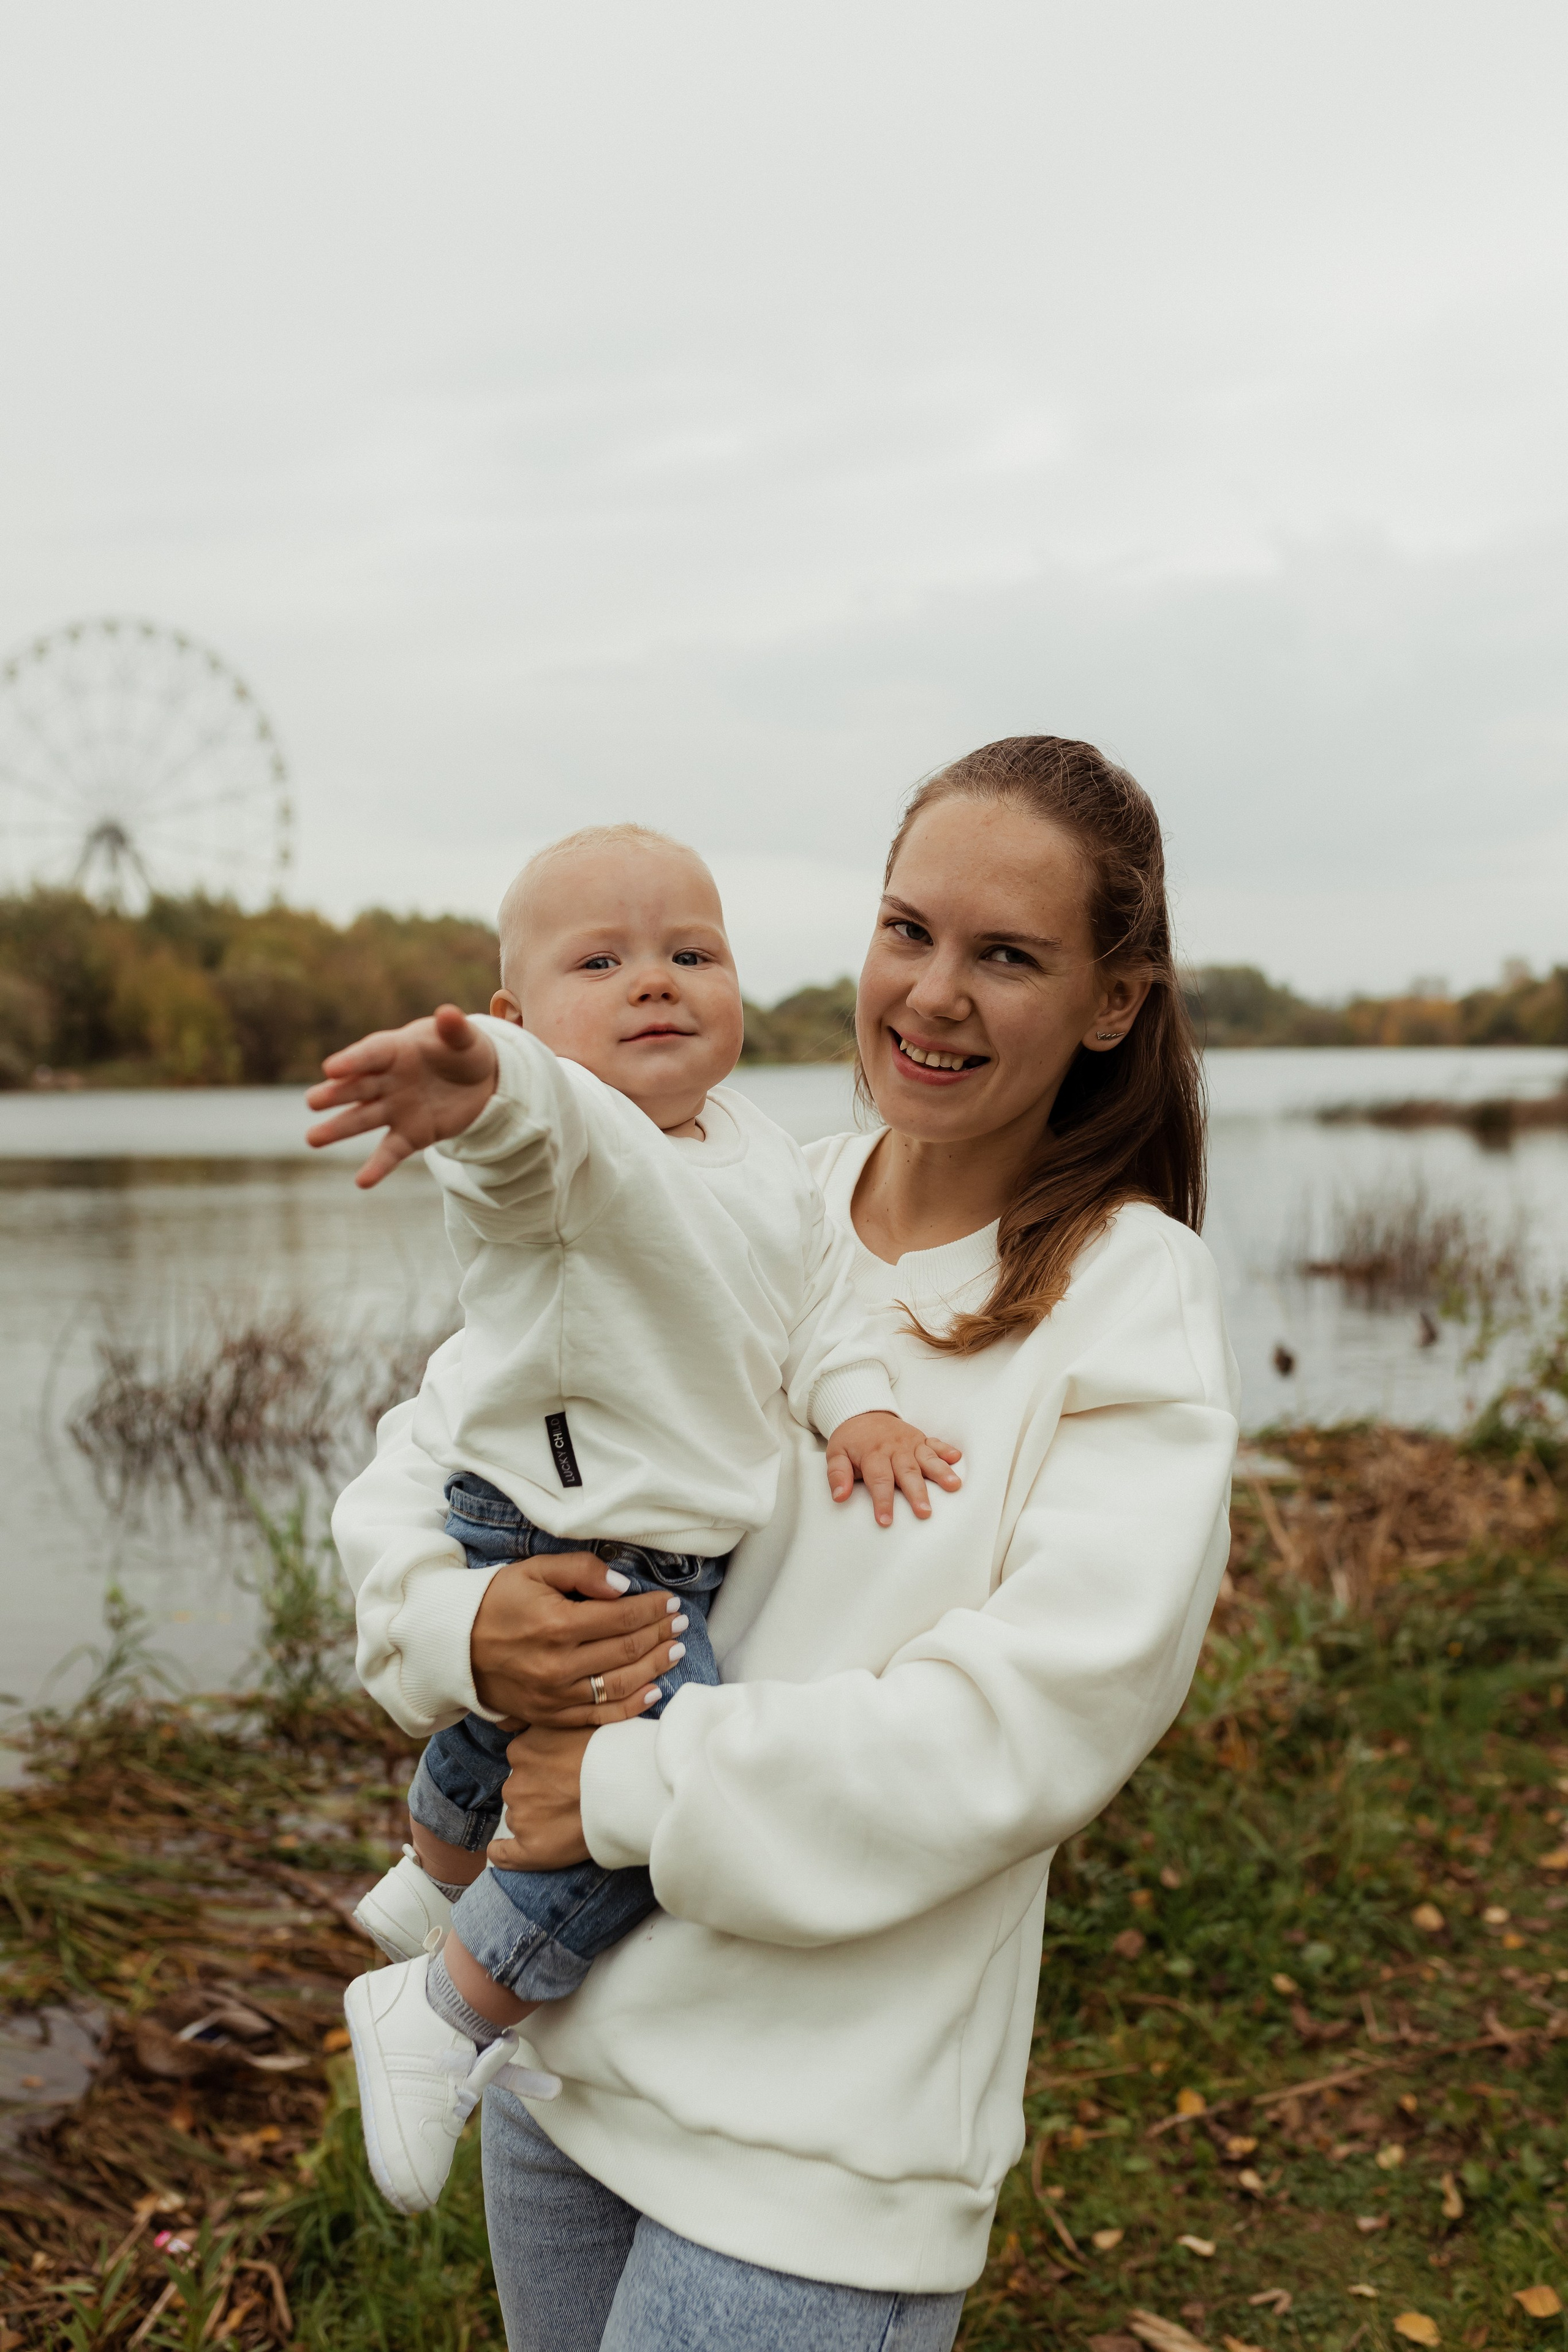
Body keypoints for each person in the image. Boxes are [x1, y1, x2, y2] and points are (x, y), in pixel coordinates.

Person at [333, 737, 1240, 2352]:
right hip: (562, 2066)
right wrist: (458, 1636)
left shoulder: (1129, 1294)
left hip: (817, 2164)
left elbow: (1023, 1729)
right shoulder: (746, 1191)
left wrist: (620, 1784)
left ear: (1113, 1001)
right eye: (911, 932)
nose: (935, 996)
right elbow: (439, 1443)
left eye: (1008, 956)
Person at [310, 824, 959, 2214]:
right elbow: (519, 1132)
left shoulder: (762, 1153)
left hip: (653, 1531)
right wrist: (480, 1088)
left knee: (518, 1737)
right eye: (599, 961)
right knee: (635, 1813)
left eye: (690, 953)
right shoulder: (574, 1142)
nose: (653, 981)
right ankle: (445, 2009)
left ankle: (432, 1870)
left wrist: (854, 1409)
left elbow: (814, 1312)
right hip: (563, 1521)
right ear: (519, 1016)